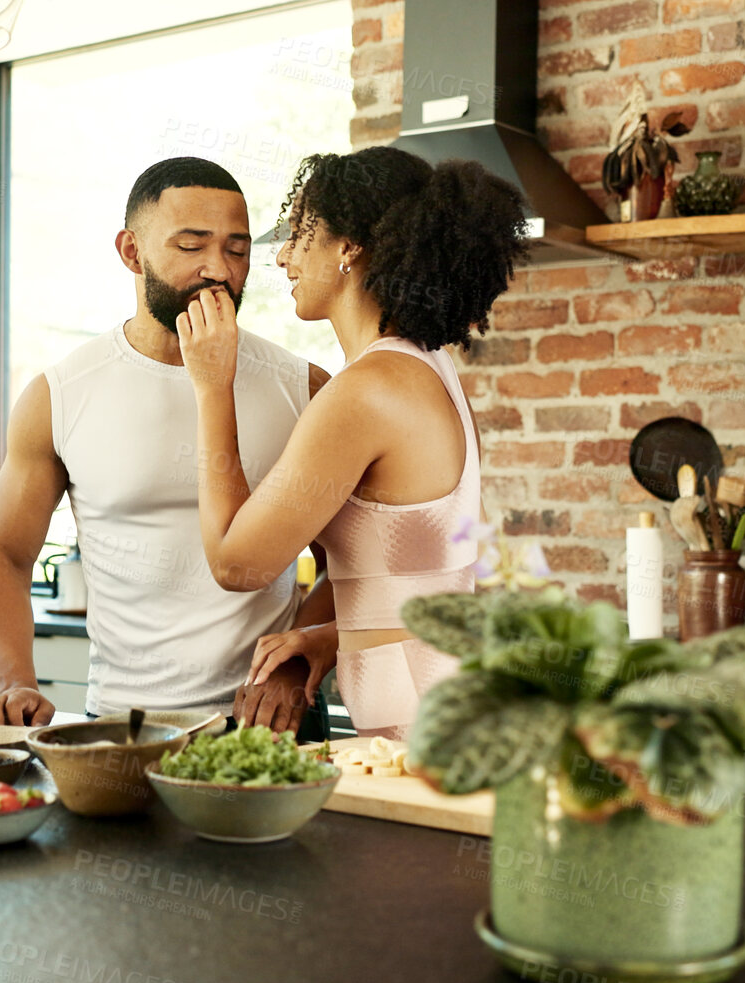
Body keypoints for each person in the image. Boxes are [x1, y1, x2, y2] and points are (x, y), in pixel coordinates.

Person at [0, 157, 338, 734]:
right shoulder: (60, 395)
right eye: (192, 245)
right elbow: (2, 556)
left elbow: (351, 561)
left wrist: (294, 663)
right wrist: (14, 682)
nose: (219, 268)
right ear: (132, 252)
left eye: (237, 250)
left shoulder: (303, 388)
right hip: (120, 723)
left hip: (268, 722)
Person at [175, 147, 527, 738]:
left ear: (349, 246)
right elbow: (440, 571)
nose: (284, 257)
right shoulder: (429, 367)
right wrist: (331, 635)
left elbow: (237, 563)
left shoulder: (366, 391)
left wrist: (213, 387)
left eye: (299, 235)